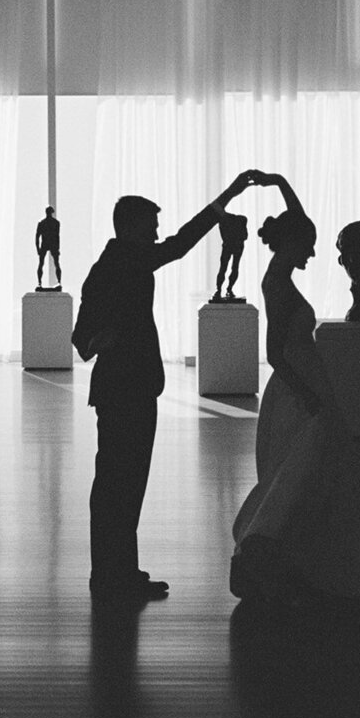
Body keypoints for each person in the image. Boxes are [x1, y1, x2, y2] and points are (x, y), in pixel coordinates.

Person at [231, 171, 360, 609]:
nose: (314, 254)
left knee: (325, 476)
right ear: (290, 244)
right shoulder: (276, 285)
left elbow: (298, 220)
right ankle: (281, 558)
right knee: (298, 479)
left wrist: (278, 181)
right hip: (298, 393)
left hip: (309, 387)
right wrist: (307, 395)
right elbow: (274, 353)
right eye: (309, 246)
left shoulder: (282, 273)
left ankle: (331, 564)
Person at [73, 171, 259, 602]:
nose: (156, 234)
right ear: (131, 228)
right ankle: (112, 577)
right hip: (126, 391)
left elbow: (84, 338)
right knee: (120, 486)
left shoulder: (118, 262)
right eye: (150, 227)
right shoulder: (121, 263)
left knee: (121, 485)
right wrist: (226, 197)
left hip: (129, 389)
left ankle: (118, 573)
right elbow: (82, 340)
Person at [213, 211, 249, 301]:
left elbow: (244, 236)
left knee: (228, 268)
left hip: (233, 245)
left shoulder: (240, 219)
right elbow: (244, 236)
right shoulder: (239, 220)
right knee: (228, 268)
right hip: (233, 245)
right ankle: (223, 289)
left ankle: (225, 289)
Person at [35, 206, 62, 290]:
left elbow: (57, 236)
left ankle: (59, 282)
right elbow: (37, 237)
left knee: (56, 264)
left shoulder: (55, 223)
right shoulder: (44, 223)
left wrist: (57, 248)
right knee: (42, 264)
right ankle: (39, 282)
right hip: (46, 244)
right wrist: (38, 249)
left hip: (51, 244)